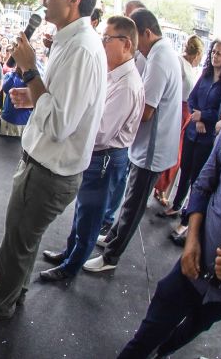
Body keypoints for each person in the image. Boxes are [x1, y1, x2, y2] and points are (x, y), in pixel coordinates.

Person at [0, 0, 106, 324]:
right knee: (25, 239)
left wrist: (28, 70)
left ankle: (1, 304)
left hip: (48, 172)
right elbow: (55, 104)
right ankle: (16, 281)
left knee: (16, 241)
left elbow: (58, 124)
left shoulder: (82, 50)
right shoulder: (70, 41)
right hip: (43, 165)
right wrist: (33, 92)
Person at [117, 71, 221, 358]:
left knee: (174, 343)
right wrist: (191, 241)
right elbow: (203, 186)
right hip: (190, 266)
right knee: (143, 340)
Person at [39, 16, 144, 281]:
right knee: (83, 211)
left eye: (107, 38)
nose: (102, 43)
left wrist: (70, 125)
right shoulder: (114, 74)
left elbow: (101, 132)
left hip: (106, 157)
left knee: (90, 216)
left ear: (126, 44)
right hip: (100, 156)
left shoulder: (128, 85)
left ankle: (70, 268)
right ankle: (69, 253)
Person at [86, 8, 182, 273]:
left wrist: (118, 114)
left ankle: (111, 258)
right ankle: (113, 236)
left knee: (133, 204)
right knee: (129, 199)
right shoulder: (159, 53)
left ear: (146, 33)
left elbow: (147, 110)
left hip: (153, 147)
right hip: (147, 144)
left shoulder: (160, 57)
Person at [157, 40, 221, 218]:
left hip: (206, 137)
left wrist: (203, 116)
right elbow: (191, 99)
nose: (214, 55)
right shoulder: (205, 74)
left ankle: (189, 213)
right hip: (192, 131)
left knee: (197, 176)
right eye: (213, 52)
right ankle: (176, 205)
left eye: (219, 53)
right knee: (184, 168)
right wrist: (195, 117)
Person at [153, 35, 205, 207]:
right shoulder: (180, 63)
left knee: (177, 153)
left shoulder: (190, 67)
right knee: (173, 152)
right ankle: (159, 187)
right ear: (197, 53)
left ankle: (161, 188)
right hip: (178, 110)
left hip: (185, 112)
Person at [0, 68, 31, 136]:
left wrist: (28, 74)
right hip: (9, 119)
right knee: (4, 144)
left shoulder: (32, 77)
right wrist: (15, 73)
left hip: (25, 120)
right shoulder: (10, 75)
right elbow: (5, 88)